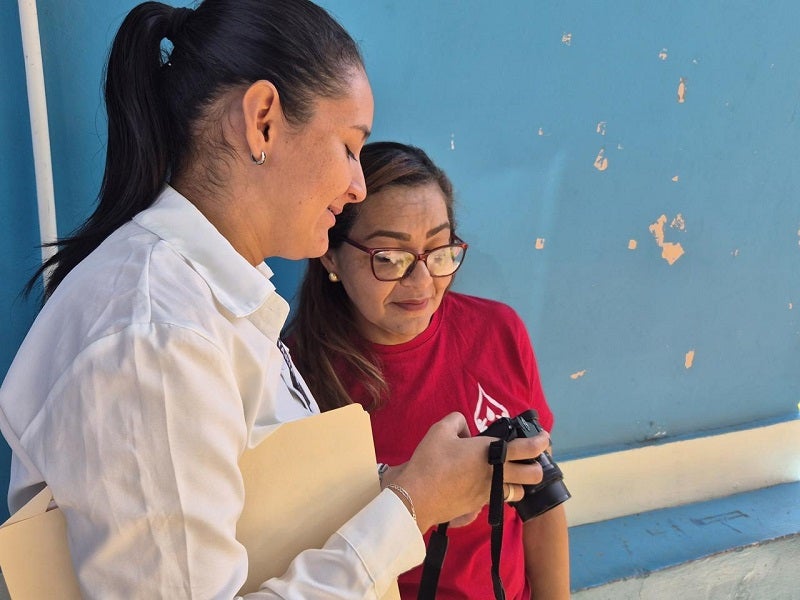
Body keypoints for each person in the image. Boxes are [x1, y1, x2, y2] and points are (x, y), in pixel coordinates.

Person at [0, 2, 551, 598]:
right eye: (348, 147)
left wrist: (407, 486)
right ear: (262, 120)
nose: (357, 186)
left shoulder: (211, 301)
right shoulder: (155, 339)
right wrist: (411, 505)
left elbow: (257, 509)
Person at [285, 141, 571, 599]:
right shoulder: (294, 378)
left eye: (439, 251)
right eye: (389, 258)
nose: (421, 283)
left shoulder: (498, 331)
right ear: (330, 255)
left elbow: (543, 497)